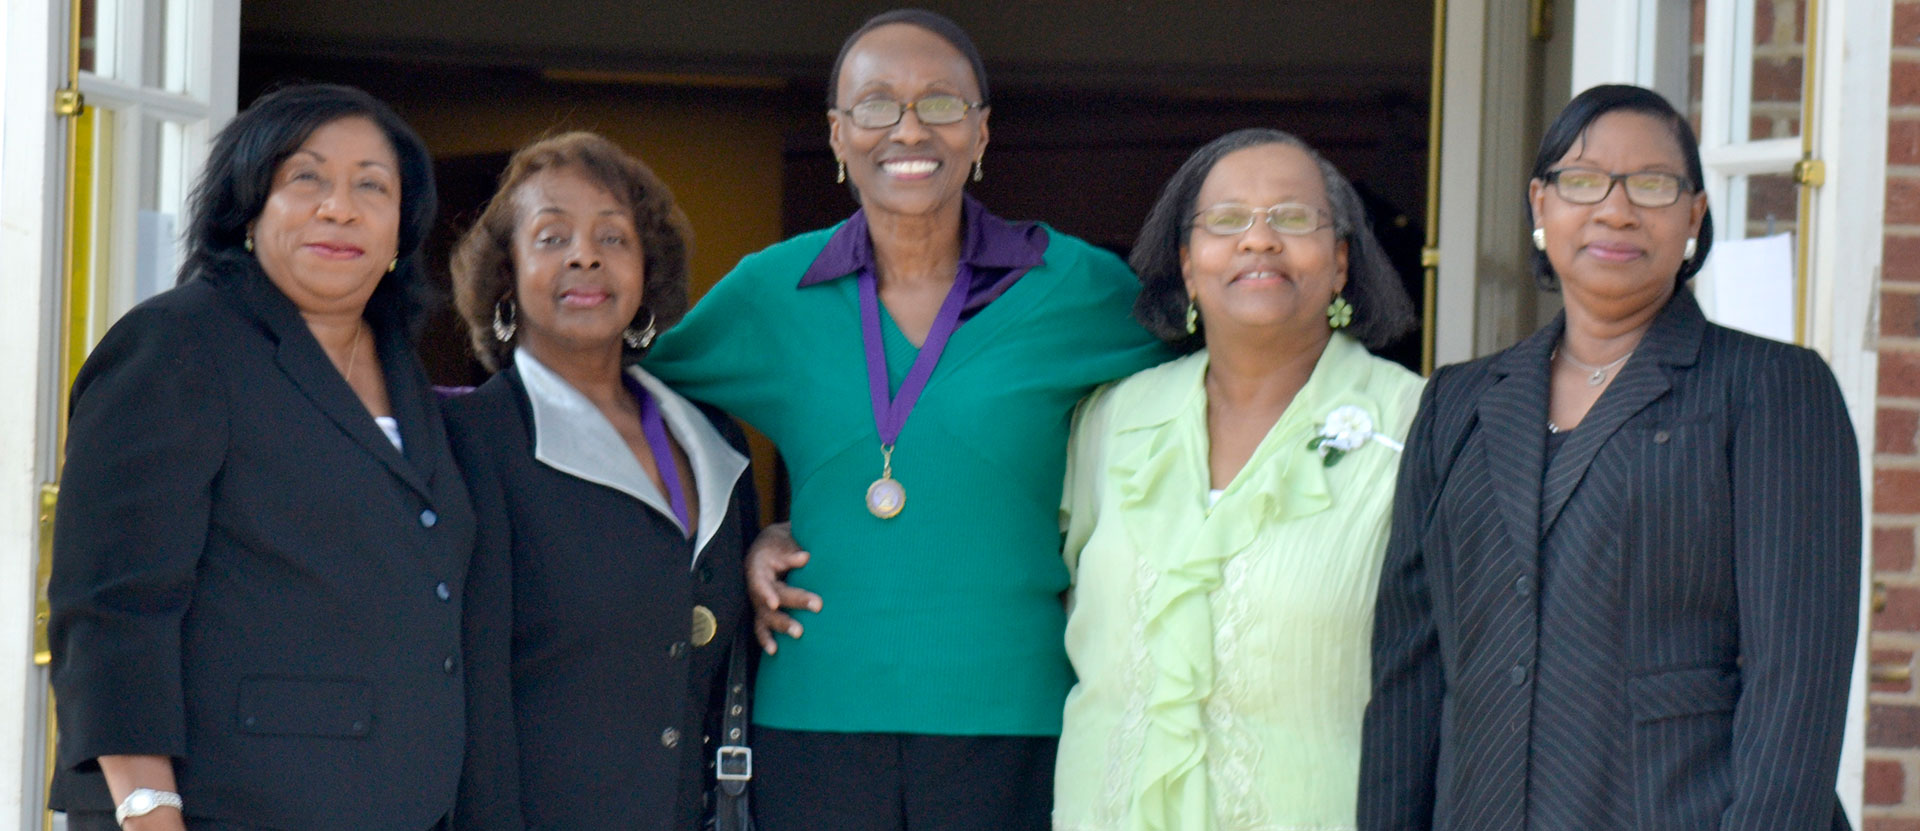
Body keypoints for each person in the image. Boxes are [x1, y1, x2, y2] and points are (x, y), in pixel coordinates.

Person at [642, 9, 1169, 830]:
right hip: (813, 706)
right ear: (838, 134)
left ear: (982, 131)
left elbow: (1213, 391)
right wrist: (739, 536)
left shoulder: (1074, 285)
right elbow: (628, 400)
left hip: (1013, 707)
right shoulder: (774, 290)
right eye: (878, 104)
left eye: (943, 103)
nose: (911, 128)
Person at [1359, 84, 1861, 831]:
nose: (1616, 209)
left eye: (1652, 185)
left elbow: (1797, 682)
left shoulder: (1771, 390)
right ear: (1540, 205)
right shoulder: (1456, 405)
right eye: (1583, 181)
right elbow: (1410, 674)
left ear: (1693, 215)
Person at [46, 84, 474, 831]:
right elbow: (113, 610)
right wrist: (148, 810)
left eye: (371, 185)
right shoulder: (179, 345)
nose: (339, 207)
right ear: (246, 207)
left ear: (401, 230)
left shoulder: (404, 366)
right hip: (223, 811)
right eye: (305, 178)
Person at [1051, 129, 1420, 831]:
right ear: (1187, 265)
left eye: (1293, 217)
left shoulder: (1416, 426)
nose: (1258, 239)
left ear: (1341, 261)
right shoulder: (1111, 419)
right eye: (1225, 221)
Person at [445, 131, 758, 831]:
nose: (585, 255)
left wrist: (762, 548)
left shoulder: (714, 439)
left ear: (647, 271)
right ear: (507, 275)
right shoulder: (474, 442)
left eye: (613, 238)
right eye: (552, 236)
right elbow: (472, 689)